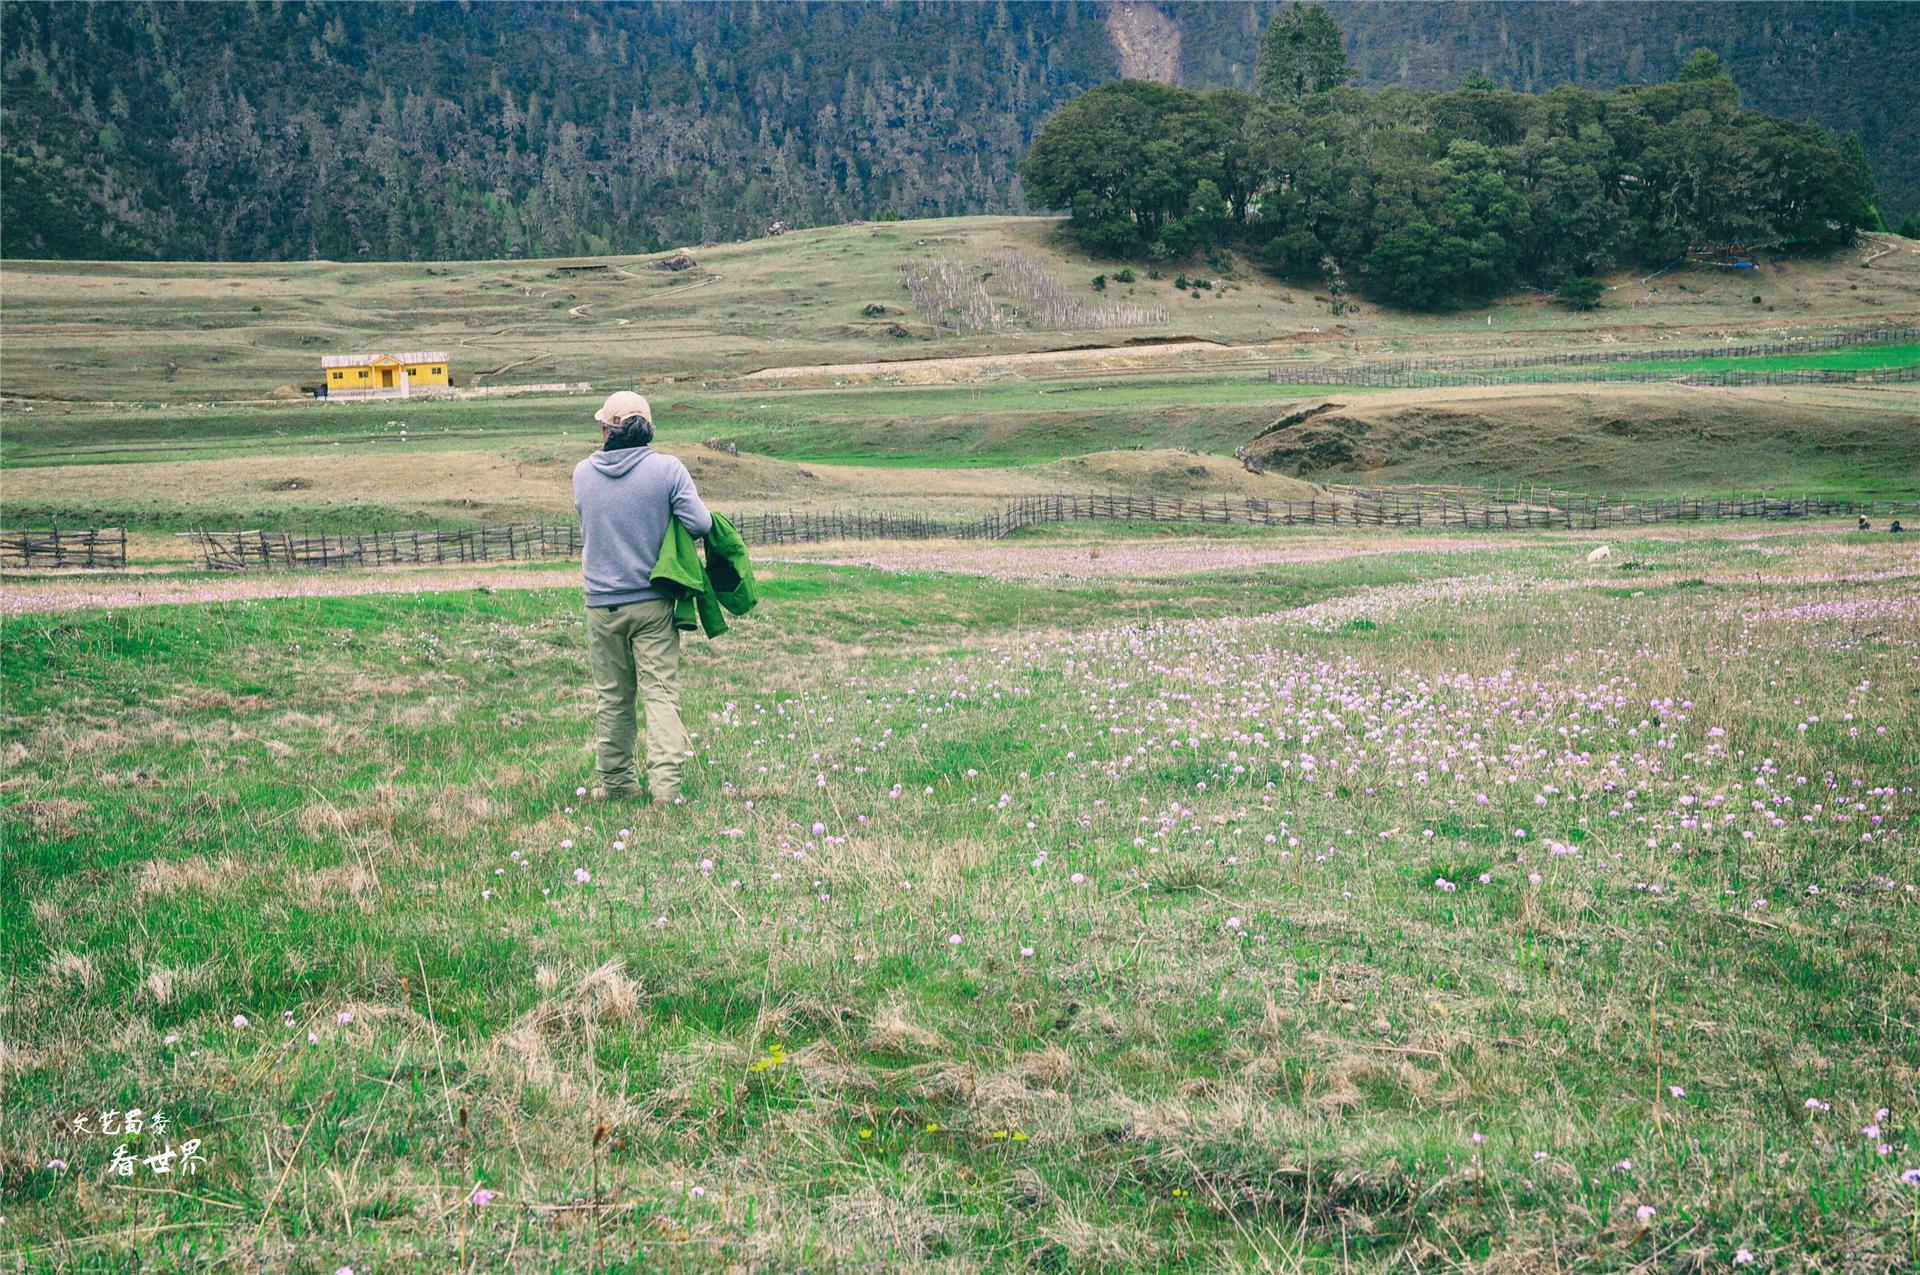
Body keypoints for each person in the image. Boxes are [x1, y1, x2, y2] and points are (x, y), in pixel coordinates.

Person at [573, 391, 712, 804]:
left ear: (606, 430)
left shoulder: (582, 473)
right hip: (652, 602)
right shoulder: (668, 470)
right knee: (660, 695)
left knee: (613, 697)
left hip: (601, 602)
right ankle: (666, 791)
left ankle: (617, 785)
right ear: (648, 430)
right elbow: (700, 523)